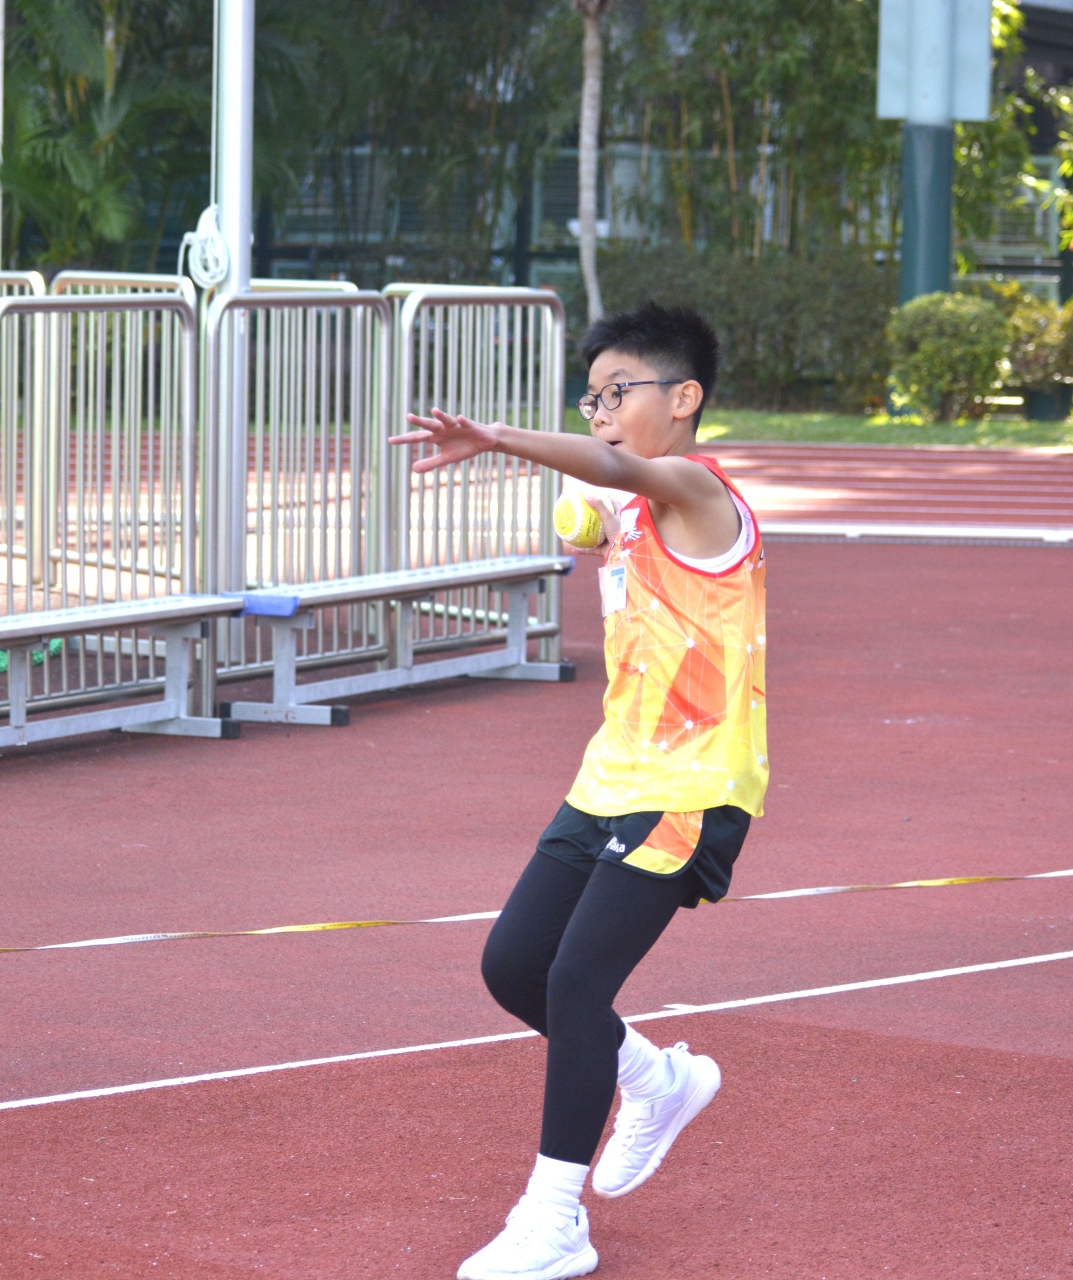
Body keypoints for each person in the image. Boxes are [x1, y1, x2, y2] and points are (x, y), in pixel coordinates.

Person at [392, 301, 767, 1280]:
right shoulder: (628, 502)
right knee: (514, 966)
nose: (599, 412)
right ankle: (657, 1078)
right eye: (590, 397)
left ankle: (555, 1217)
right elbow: (601, 495)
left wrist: (498, 437)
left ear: (684, 399)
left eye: (618, 392)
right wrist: (590, 501)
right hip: (611, 773)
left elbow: (621, 471)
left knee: (575, 984)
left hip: (692, 785)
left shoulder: (699, 489)